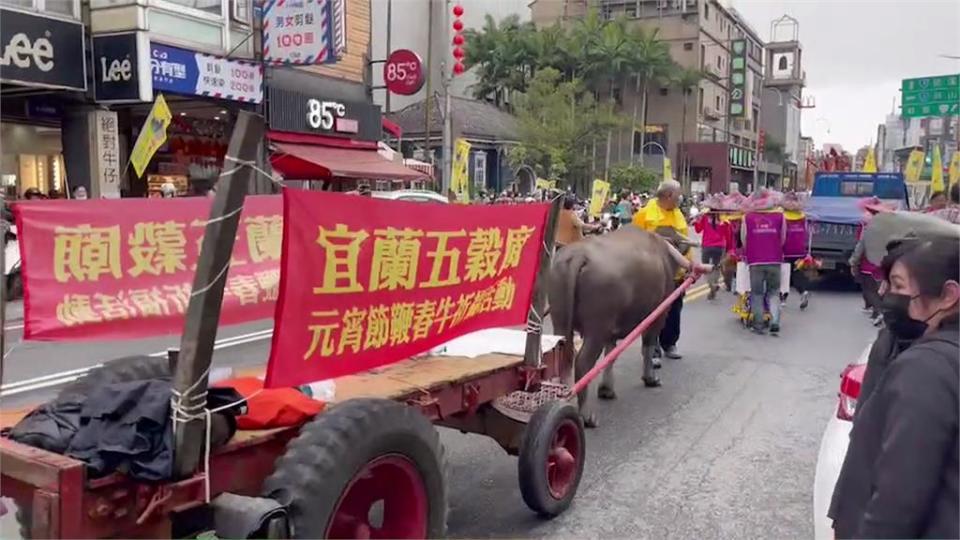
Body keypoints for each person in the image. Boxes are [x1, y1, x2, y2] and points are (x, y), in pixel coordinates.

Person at [829, 235, 959, 539]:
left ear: (948, 295)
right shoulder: (894, 342)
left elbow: (900, 494)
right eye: (887, 285)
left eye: (899, 286)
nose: (887, 296)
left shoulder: (927, 367)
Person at [633, 180, 690, 359]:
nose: (680, 198)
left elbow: (685, 241)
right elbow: (632, 242)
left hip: (676, 273)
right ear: (668, 195)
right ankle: (652, 349)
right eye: (678, 194)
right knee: (653, 313)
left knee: (674, 310)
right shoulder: (644, 215)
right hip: (652, 275)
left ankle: (670, 343)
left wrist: (688, 266)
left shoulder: (678, 214)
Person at [740, 197, 786, 335]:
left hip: (755, 261)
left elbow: (744, 238)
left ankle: (758, 325)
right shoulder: (780, 217)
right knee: (774, 292)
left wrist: (750, 251)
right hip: (775, 260)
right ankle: (775, 321)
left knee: (757, 293)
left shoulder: (747, 218)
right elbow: (783, 238)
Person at [693, 202, 731, 300]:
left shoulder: (705, 217)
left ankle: (711, 285)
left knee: (705, 268)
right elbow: (728, 235)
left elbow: (698, 230)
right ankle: (714, 283)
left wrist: (697, 221)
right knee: (716, 267)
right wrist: (728, 248)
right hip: (720, 246)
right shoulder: (724, 219)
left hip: (707, 245)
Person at [780, 193, 811, 309]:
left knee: (784, 274)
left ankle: (783, 299)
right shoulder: (803, 216)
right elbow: (807, 233)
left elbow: (781, 234)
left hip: (785, 249)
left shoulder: (782, 216)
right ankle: (803, 292)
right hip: (799, 249)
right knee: (797, 273)